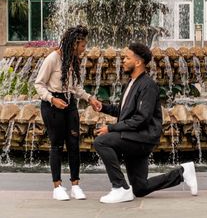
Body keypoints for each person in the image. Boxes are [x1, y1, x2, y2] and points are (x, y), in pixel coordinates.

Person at [93, 42, 198, 204]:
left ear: (138, 62)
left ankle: (120, 187)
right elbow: (124, 112)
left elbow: (142, 119)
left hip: (142, 138)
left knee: (101, 142)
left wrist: (111, 128)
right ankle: (183, 173)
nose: (123, 61)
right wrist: (102, 107)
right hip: (133, 136)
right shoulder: (131, 83)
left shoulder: (148, 85)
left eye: (127, 58)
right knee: (140, 188)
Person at [35, 25, 101, 201]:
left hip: (69, 103)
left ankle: (75, 185)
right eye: (82, 45)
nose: (83, 49)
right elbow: (38, 84)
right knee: (56, 145)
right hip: (52, 105)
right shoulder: (53, 58)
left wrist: (90, 99)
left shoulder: (73, 60)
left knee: (73, 144)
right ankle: (57, 186)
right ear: (73, 44)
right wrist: (52, 99)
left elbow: (75, 87)